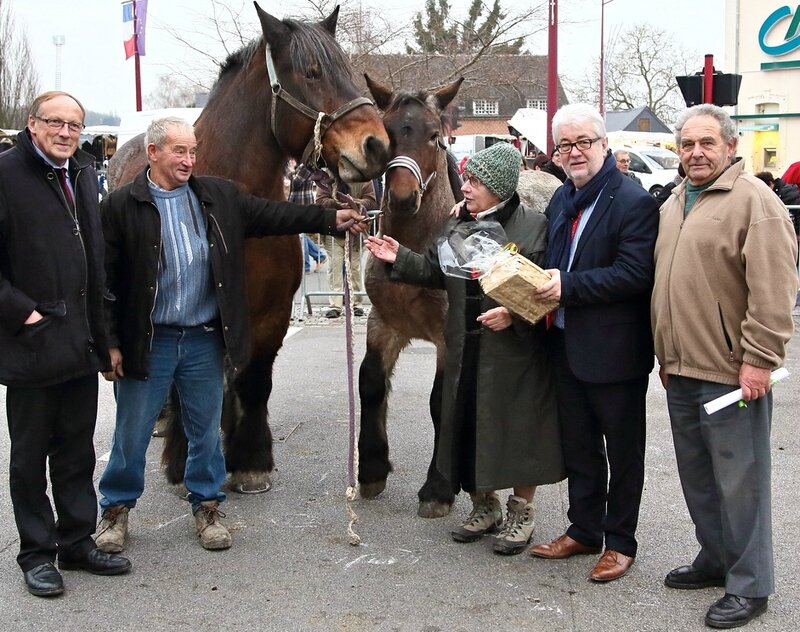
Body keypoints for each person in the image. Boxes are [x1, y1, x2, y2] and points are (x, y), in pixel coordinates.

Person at [94, 117, 366, 553]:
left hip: (204, 338)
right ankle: (115, 511)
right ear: (153, 153)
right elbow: (104, 280)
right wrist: (108, 342)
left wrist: (333, 218)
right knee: (131, 433)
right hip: (151, 340)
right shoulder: (122, 206)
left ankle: (207, 506)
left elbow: (275, 215)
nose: (188, 161)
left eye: (193, 152)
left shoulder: (216, 196)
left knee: (204, 432)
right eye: (179, 152)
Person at [366, 142, 564, 555]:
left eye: (474, 181)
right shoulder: (457, 226)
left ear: (499, 187)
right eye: (467, 179)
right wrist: (398, 256)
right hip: (465, 344)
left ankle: (521, 512)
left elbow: (544, 291)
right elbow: (437, 274)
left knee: (517, 429)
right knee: (472, 423)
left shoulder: (534, 227)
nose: (466, 188)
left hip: (514, 352)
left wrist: (513, 314)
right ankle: (484, 505)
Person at [652, 104, 797, 629]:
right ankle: (715, 559)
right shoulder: (674, 203)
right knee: (699, 477)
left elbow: (775, 291)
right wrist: (665, 354)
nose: (695, 153)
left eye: (707, 143)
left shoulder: (754, 202)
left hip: (733, 371)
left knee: (742, 482)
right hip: (681, 367)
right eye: (687, 144)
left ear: (730, 146)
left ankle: (751, 584)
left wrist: (759, 360)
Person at [0, 91, 132, 598]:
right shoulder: (7, 175)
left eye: (74, 125)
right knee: (29, 457)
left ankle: (76, 540)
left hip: (79, 343)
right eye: (55, 122)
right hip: (32, 343)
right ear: (32, 125)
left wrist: (106, 339)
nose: (65, 132)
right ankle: (37, 552)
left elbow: (94, 260)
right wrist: (23, 313)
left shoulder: (81, 172)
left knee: (77, 451)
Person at [529, 103, 659, 582]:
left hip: (615, 353)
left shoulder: (632, 201)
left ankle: (620, 542)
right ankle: (584, 530)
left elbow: (634, 274)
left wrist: (567, 287)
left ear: (604, 145)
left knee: (624, 454)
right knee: (580, 448)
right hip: (564, 345)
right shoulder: (562, 198)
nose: (575, 152)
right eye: (566, 144)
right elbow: (548, 261)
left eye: (584, 142)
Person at [315, 179, 377, 318]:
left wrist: (354, 203)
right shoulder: (328, 176)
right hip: (332, 230)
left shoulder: (364, 177)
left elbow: (371, 200)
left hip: (356, 231)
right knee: (335, 267)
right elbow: (320, 200)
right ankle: (335, 305)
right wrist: (340, 203)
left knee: (354, 268)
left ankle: (356, 304)